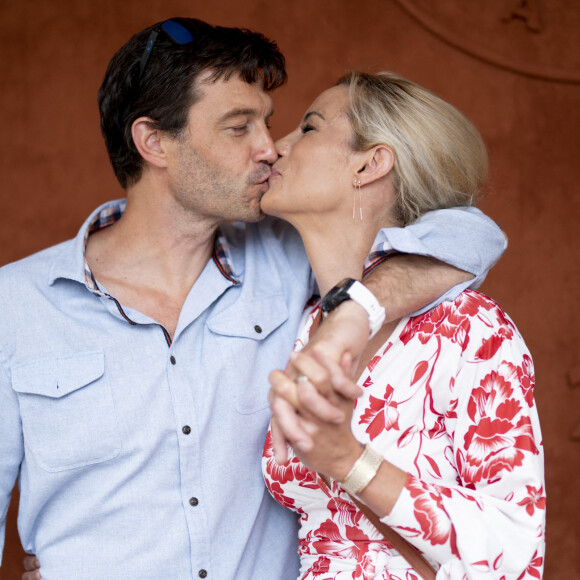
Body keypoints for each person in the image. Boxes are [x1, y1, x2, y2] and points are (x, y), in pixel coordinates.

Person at [0, 18, 506, 580]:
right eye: (239, 128)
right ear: (153, 142)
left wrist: (353, 312)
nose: (270, 147)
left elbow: (472, 234)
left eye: (268, 122)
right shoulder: (15, 306)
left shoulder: (292, 258)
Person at [262, 71, 545, 579]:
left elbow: (518, 550)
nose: (276, 147)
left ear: (371, 164)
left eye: (308, 128)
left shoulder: (467, 330)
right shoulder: (300, 327)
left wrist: (349, 460)